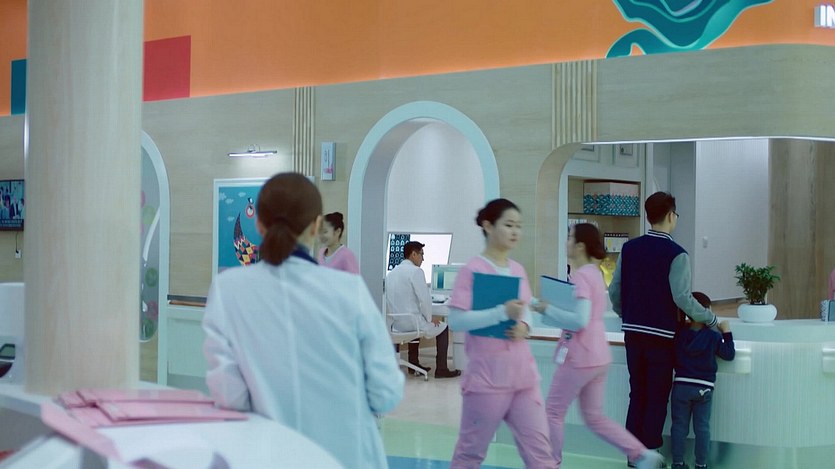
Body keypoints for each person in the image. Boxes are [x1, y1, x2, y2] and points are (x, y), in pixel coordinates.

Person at [202, 172, 403, 469]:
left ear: (259, 224)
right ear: (316, 226)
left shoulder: (228, 290)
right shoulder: (349, 290)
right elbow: (386, 393)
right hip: (347, 457)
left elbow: (230, 396)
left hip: (267, 457)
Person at [533, 223, 664, 469]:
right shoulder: (595, 274)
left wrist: (547, 309)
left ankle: (550, 464)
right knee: (594, 417)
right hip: (598, 356)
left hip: (579, 357)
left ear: (580, 246)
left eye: (570, 237)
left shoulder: (581, 276)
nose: (566, 242)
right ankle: (641, 454)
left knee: (553, 412)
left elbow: (579, 320)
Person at [609, 191, 718, 466]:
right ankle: (649, 455)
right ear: (671, 215)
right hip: (662, 337)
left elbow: (614, 290)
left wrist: (626, 314)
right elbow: (682, 298)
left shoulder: (629, 248)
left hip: (633, 333)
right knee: (657, 396)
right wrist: (710, 319)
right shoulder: (677, 254)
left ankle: (632, 456)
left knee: (637, 393)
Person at [447, 198, 556, 469]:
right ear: (488, 226)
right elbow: (457, 320)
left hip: (523, 378)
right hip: (487, 380)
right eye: (508, 225)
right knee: (470, 454)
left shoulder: (518, 270)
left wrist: (525, 326)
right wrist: (500, 313)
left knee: (541, 455)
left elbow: (526, 308)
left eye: (519, 226)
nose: (515, 232)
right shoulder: (472, 271)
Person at [670, 292, 735, 469]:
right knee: (702, 428)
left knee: (679, 426)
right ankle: (701, 464)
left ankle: (677, 463)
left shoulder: (679, 334)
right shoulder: (713, 337)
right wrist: (727, 332)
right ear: (706, 311)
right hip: (704, 387)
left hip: (681, 386)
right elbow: (729, 354)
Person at [385, 240, 461, 378]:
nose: (423, 258)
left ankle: (414, 365)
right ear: (413, 254)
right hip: (412, 323)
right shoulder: (416, 272)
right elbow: (425, 300)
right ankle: (441, 369)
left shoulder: (391, 274)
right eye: (421, 254)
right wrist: (430, 319)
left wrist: (425, 318)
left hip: (396, 325)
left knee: (418, 322)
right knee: (443, 327)